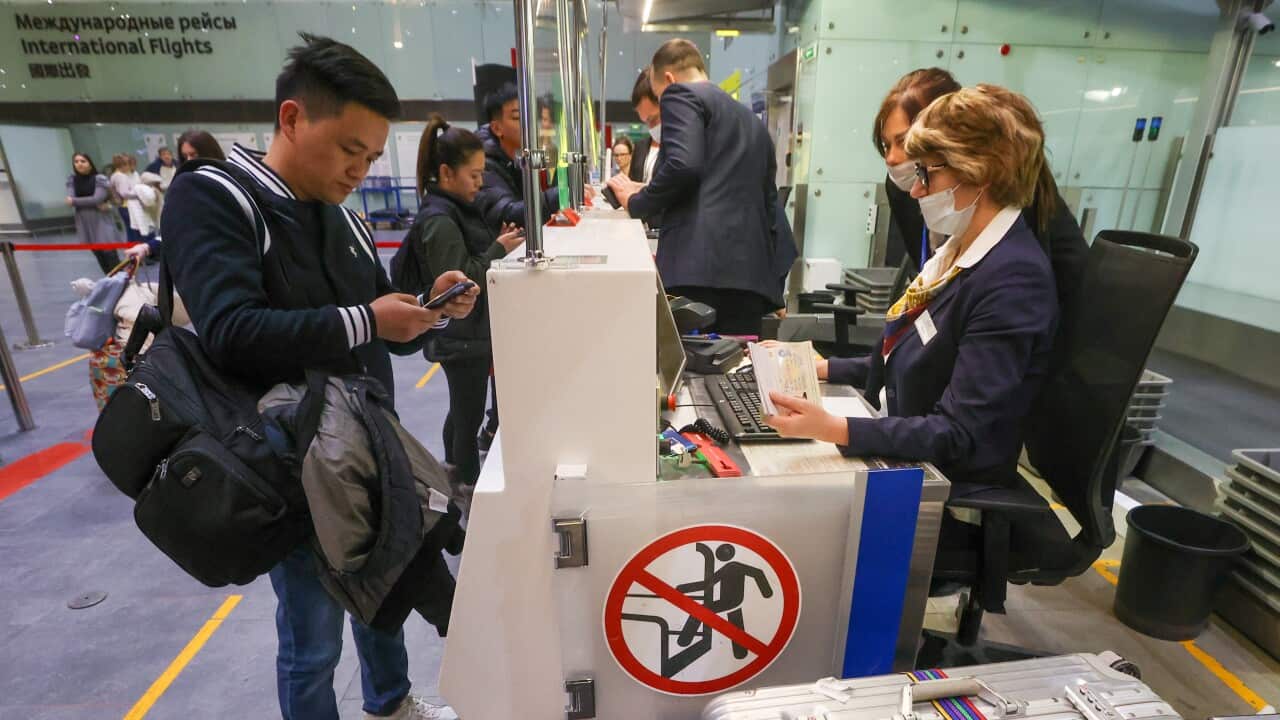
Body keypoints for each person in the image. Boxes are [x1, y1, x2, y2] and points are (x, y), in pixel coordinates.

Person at [162, 33, 475, 720]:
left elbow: (376, 338)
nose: (360, 168)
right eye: (347, 149)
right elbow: (230, 329)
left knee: (384, 592)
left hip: (365, 449)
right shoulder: (216, 197)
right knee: (312, 635)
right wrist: (368, 319)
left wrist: (426, 311)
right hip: (286, 464)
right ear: (293, 118)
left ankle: (390, 703)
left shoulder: (346, 221)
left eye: (369, 155)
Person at [764, 85, 1059, 500]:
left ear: (982, 172)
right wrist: (820, 368)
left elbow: (958, 433)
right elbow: (908, 359)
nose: (917, 190)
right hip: (905, 437)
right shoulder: (958, 254)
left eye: (928, 174)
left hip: (945, 477)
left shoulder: (1013, 281)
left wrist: (834, 429)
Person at [875, 68, 1086, 361]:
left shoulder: (1014, 265)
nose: (893, 159)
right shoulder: (911, 195)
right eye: (886, 145)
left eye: (903, 142)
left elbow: (1015, 320)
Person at [606, 39, 780, 335]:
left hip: (696, 273)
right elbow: (768, 203)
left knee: (690, 373)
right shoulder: (750, 120)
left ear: (669, 79)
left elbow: (683, 165)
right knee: (732, 373)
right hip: (750, 281)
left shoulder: (680, 93)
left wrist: (636, 200)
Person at [403, 115, 523, 486]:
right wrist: (497, 249)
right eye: (473, 175)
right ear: (446, 172)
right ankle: (464, 485)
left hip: (468, 335)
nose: (480, 183)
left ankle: (456, 473)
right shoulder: (439, 219)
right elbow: (458, 281)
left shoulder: (457, 210)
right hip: (460, 337)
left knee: (461, 413)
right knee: (466, 417)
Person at [473, 83, 560, 230]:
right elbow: (508, 215)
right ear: (497, 128)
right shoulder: (484, 166)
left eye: (531, 117)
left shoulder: (521, 158)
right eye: (518, 117)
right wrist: (561, 194)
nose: (529, 124)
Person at [65, 152, 123, 274]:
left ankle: (123, 284)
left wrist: (75, 201)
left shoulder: (99, 179)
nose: (79, 164)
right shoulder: (72, 180)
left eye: (83, 161)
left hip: (101, 220)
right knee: (99, 255)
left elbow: (96, 199)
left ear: (90, 164)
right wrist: (75, 201)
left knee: (110, 256)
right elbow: (70, 198)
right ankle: (110, 284)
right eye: (76, 161)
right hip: (84, 221)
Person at [109, 154, 160, 261]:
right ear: (122, 165)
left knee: (138, 230)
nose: (131, 166)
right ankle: (138, 256)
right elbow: (124, 193)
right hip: (127, 207)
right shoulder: (120, 176)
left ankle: (144, 253)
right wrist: (139, 193)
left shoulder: (124, 174)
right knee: (135, 231)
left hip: (131, 206)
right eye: (128, 164)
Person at [628, 68, 661, 185]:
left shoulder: (683, 149)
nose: (651, 127)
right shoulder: (641, 147)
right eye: (646, 122)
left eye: (654, 119)